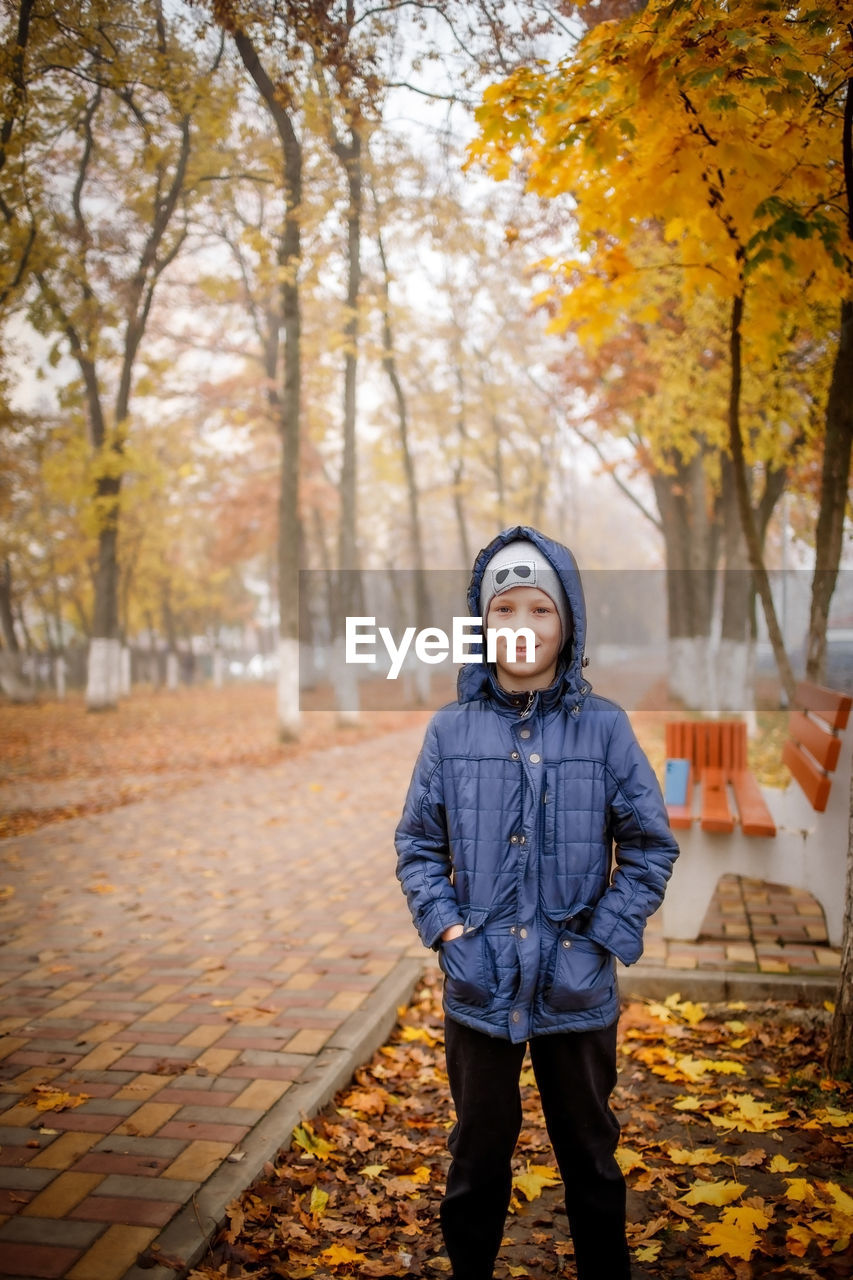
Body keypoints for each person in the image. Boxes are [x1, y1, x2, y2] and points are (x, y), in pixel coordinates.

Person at [395, 526, 679, 1280]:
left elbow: (649, 846)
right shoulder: (450, 731)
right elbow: (418, 844)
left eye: (538, 612)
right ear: (481, 626)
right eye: (503, 611)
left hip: (574, 985)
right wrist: (447, 929)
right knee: (477, 1152)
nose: (520, 629)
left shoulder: (604, 729)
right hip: (478, 980)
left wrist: (599, 942)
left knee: (588, 1151)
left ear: (568, 623)